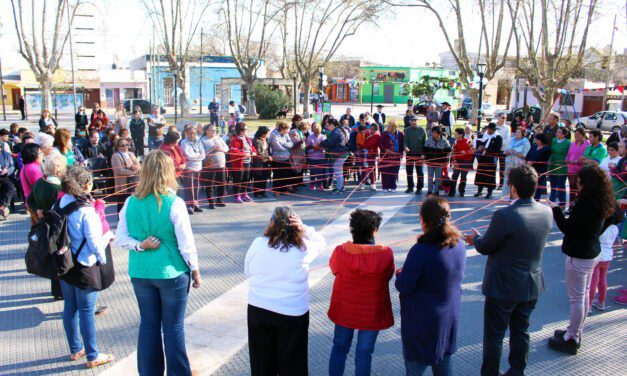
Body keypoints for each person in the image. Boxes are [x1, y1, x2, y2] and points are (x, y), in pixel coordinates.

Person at [115, 150, 202, 376]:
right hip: (171, 273)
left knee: (149, 325)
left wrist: (140, 246)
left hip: (141, 272)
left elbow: (120, 237)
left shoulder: (130, 202)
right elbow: (186, 242)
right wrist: (195, 268)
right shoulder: (175, 202)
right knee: (173, 328)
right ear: (168, 172)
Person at [465, 164, 552, 376]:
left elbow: (486, 246)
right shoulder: (547, 211)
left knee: (494, 336)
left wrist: (476, 238)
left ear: (512, 188)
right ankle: (517, 370)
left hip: (503, 286)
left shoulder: (505, 215)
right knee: (521, 330)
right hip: (531, 283)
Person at [245, 206, 326, 376]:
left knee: (261, 361)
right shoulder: (303, 248)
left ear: (271, 223)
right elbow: (321, 242)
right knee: (292, 363)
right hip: (292, 313)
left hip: (259, 309)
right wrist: (305, 229)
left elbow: (248, 272)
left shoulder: (258, 243)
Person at [547, 165, 616, 355]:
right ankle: (574, 330)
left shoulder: (586, 204)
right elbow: (613, 217)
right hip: (592, 252)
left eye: (579, 181)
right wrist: (594, 234)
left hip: (580, 255)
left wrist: (555, 209)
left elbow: (568, 228)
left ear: (586, 184)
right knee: (584, 295)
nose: (576, 184)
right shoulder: (602, 200)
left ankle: (573, 337)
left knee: (577, 298)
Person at [396, 196, 466, 375]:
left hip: (422, 321)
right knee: (444, 364)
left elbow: (405, 286)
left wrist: (399, 275)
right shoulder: (459, 245)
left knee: (415, 368)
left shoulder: (421, 250)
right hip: (448, 316)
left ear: (423, 220)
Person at [58, 165, 116, 368]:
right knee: (86, 311)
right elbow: (94, 243)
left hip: (65, 264)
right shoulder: (86, 211)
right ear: (87, 184)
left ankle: (76, 349)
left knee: (70, 307)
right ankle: (93, 355)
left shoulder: (63, 200)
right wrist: (108, 239)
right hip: (85, 266)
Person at [328, 209, 394, 375]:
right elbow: (387, 276)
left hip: (345, 309)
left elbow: (334, 270)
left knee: (339, 347)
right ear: (374, 230)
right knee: (364, 353)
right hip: (371, 312)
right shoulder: (385, 254)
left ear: (352, 230)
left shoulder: (340, 251)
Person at [589, 206, 622, 311]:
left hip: (597, 255)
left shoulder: (601, 227)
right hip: (608, 256)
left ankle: (588, 305)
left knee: (593, 282)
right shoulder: (615, 228)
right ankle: (601, 302)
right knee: (602, 279)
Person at [180, 125, 205, 214]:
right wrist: (197, 156)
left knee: (196, 187)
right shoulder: (184, 143)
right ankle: (189, 205)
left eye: (194, 133)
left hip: (198, 167)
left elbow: (203, 154)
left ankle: (196, 204)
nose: (192, 135)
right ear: (186, 133)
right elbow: (187, 155)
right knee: (189, 187)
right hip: (189, 168)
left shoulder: (198, 141)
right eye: (190, 133)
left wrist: (197, 156)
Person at [321, 118, 350, 194]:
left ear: (332, 125)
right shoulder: (336, 131)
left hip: (340, 154)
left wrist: (321, 143)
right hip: (340, 154)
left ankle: (339, 189)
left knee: (338, 171)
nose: (327, 127)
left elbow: (329, 143)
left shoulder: (336, 132)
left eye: (328, 126)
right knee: (338, 171)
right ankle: (340, 187)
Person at [230, 122, 257, 203]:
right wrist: (244, 155)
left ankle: (244, 194)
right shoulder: (235, 140)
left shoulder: (247, 139)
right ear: (240, 130)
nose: (246, 130)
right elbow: (234, 151)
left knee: (246, 179)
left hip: (247, 162)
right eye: (245, 129)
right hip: (239, 164)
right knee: (238, 179)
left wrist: (254, 152)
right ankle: (237, 195)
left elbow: (252, 147)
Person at [111, 138, 140, 212]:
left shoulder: (131, 154)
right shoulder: (115, 156)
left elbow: (139, 165)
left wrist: (137, 167)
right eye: (122, 145)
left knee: (133, 206)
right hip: (122, 185)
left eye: (127, 145)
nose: (125, 147)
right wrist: (133, 172)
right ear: (118, 147)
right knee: (122, 207)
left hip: (133, 184)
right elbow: (118, 171)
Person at [474, 122, 503, 199]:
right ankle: (479, 190)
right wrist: (479, 147)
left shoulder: (498, 137)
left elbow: (498, 149)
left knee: (490, 176)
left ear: (494, 130)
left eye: (490, 129)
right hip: (483, 157)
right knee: (481, 174)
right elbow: (479, 142)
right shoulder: (484, 135)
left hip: (491, 158)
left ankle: (489, 192)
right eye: (488, 129)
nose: (488, 131)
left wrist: (487, 149)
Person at [503, 128, 531, 197]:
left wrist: (515, 153)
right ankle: (507, 195)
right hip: (509, 161)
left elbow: (526, 155)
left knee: (517, 178)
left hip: (518, 162)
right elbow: (505, 151)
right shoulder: (512, 140)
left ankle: (516, 195)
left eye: (519, 132)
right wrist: (508, 152)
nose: (517, 134)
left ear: (522, 134)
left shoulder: (525, 142)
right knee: (508, 178)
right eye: (516, 132)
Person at [19, 143, 44, 223]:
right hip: (37, 205)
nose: (42, 154)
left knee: (36, 229)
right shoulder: (33, 169)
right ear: (33, 155)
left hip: (32, 203)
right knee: (42, 230)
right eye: (40, 153)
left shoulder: (26, 167)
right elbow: (41, 187)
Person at [565, 128, 590, 205]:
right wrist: (567, 160)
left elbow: (586, 157)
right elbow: (568, 155)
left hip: (580, 170)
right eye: (575, 134)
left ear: (583, 135)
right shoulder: (572, 144)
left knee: (578, 189)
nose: (576, 136)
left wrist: (577, 161)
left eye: (578, 134)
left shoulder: (587, 145)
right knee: (571, 189)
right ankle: (571, 206)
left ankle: (578, 205)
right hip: (570, 169)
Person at [269, 121, 295, 195]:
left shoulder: (286, 134)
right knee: (278, 175)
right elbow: (277, 146)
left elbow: (291, 143)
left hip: (286, 157)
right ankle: (276, 190)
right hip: (278, 158)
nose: (287, 131)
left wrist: (284, 144)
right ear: (282, 129)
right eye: (287, 129)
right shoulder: (274, 134)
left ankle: (283, 190)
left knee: (285, 175)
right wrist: (286, 147)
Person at [423, 126, 451, 196]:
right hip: (430, 162)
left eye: (435, 133)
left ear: (439, 133)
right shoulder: (429, 140)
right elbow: (425, 149)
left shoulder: (444, 141)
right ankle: (429, 191)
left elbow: (449, 150)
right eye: (433, 133)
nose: (433, 134)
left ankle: (436, 191)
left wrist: (445, 160)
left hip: (439, 163)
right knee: (430, 177)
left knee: (438, 178)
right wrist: (424, 156)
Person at [548, 127, 571, 206]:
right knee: (552, 185)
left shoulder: (568, 143)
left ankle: (562, 203)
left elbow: (569, 154)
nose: (557, 133)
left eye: (559, 132)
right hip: (553, 165)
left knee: (561, 185)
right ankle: (551, 202)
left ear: (564, 134)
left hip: (562, 166)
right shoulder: (554, 140)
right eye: (557, 132)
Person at [378, 121, 403, 192]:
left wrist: (400, 153)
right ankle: (385, 187)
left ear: (394, 127)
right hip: (386, 156)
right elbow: (380, 144)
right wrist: (385, 150)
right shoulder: (384, 134)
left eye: (390, 126)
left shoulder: (400, 134)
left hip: (396, 156)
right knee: (385, 171)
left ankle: (393, 186)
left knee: (394, 171)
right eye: (388, 126)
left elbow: (402, 145)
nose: (388, 127)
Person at [404, 114, 426, 194]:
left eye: (415, 120)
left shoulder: (422, 130)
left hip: (419, 153)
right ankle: (410, 187)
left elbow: (425, 143)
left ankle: (419, 188)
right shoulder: (407, 130)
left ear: (418, 121)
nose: (414, 122)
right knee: (409, 171)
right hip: (409, 153)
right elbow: (405, 141)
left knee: (419, 171)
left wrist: (424, 153)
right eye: (412, 121)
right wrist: (405, 147)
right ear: (409, 121)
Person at [525, 133, 551, 200]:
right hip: (530, 170)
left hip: (540, 170)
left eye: (538, 140)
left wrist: (534, 162)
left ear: (542, 140)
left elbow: (545, 160)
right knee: (530, 186)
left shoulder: (547, 149)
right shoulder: (533, 147)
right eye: (536, 139)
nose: (536, 141)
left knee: (538, 186)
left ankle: (536, 200)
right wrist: (527, 161)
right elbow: (528, 156)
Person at [450, 128, 474, 197]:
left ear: (461, 135)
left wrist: (465, 152)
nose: (455, 135)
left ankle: (461, 191)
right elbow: (453, 152)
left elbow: (473, 150)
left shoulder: (468, 141)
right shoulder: (455, 142)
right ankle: (452, 191)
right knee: (454, 176)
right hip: (458, 161)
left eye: (456, 134)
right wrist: (454, 162)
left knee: (463, 177)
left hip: (466, 162)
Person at [306, 122, 326, 191]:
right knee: (312, 171)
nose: (317, 134)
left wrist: (320, 147)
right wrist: (312, 146)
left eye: (318, 132)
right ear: (313, 131)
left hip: (320, 157)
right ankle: (312, 184)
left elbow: (325, 147)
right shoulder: (310, 136)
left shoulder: (323, 137)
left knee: (320, 171)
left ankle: (320, 185)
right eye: (315, 132)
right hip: (312, 157)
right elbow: (307, 147)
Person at [252, 126, 272, 197]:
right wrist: (267, 156)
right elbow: (258, 152)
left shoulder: (266, 139)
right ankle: (257, 193)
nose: (267, 134)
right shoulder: (256, 140)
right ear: (262, 133)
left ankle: (263, 191)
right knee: (258, 177)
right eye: (266, 133)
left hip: (266, 161)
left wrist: (270, 155)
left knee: (265, 176)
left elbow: (268, 150)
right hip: (258, 161)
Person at [289, 121, 308, 190]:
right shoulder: (294, 132)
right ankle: (293, 186)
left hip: (300, 154)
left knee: (299, 170)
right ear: (302, 128)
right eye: (305, 129)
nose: (306, 131)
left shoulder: (300, 132)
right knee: (294, 170)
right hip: (295, 154)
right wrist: (301, 141)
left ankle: (298, 183)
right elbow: (293, 145)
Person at [495, 113, 511, 189]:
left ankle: (501, 184)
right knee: (493, 166)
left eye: (505, 118)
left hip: (502, 150)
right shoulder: (494, 126)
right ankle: (492, 184)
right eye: (503, 117)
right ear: (498, 117)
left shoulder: (507, 127)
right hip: (494, 150)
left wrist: (499, 144)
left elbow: (507, 139)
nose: (504, 119)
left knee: (502, 167)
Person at [363, 123, 381, 191]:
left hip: (372, 154)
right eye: (370, 129)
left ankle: (373, 184)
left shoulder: (377, 136)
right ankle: (362, 184)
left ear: (376, 130)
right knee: (364, 169)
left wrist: (379, 155)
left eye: (373, 129)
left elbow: (378, 145)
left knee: (371, 170)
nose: (371, 130)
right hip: (365, 154)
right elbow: (363, 144)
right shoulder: (367, 133)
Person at [0, 144, 16, 220]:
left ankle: (3, 206)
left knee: (10, 187)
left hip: (4, 175)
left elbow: (12, 166)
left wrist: (7, 171)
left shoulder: (6, 155)